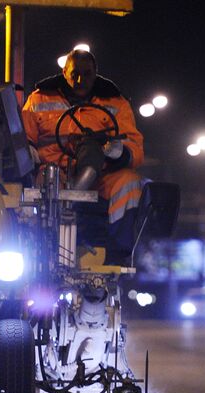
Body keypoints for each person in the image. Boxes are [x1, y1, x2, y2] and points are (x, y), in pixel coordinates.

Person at [22, 49, 147, 259]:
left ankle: (116, 252)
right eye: (74, 74)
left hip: (101, 174)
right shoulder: (38, 99)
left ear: (95, 73)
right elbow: (24, 138)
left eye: (87, 74)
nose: (80, 80)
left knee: (129, 182)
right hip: (54, 173)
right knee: (44, 182)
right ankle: (45, 249)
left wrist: (120, 152)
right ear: (64, 72)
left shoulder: (116, 103)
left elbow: (135, 146)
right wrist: (30, 151)